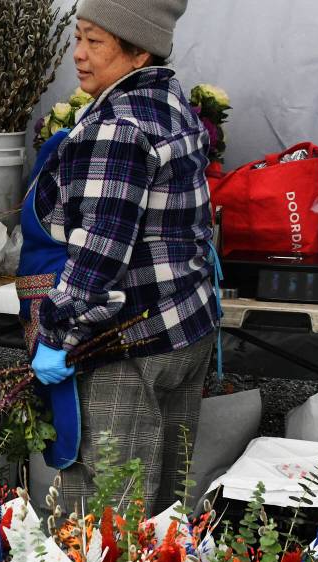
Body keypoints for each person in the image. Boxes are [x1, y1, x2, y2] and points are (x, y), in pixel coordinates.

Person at [20, 0, 218, 515]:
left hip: (130, 348)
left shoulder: (116, 126)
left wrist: (55, 336)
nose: (79, 55)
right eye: (79, 37)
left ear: (139, 51)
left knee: (103, 522)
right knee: (162, 512)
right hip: (185, 328)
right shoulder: (170, 104)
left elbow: (98, 255)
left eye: (95, 42)